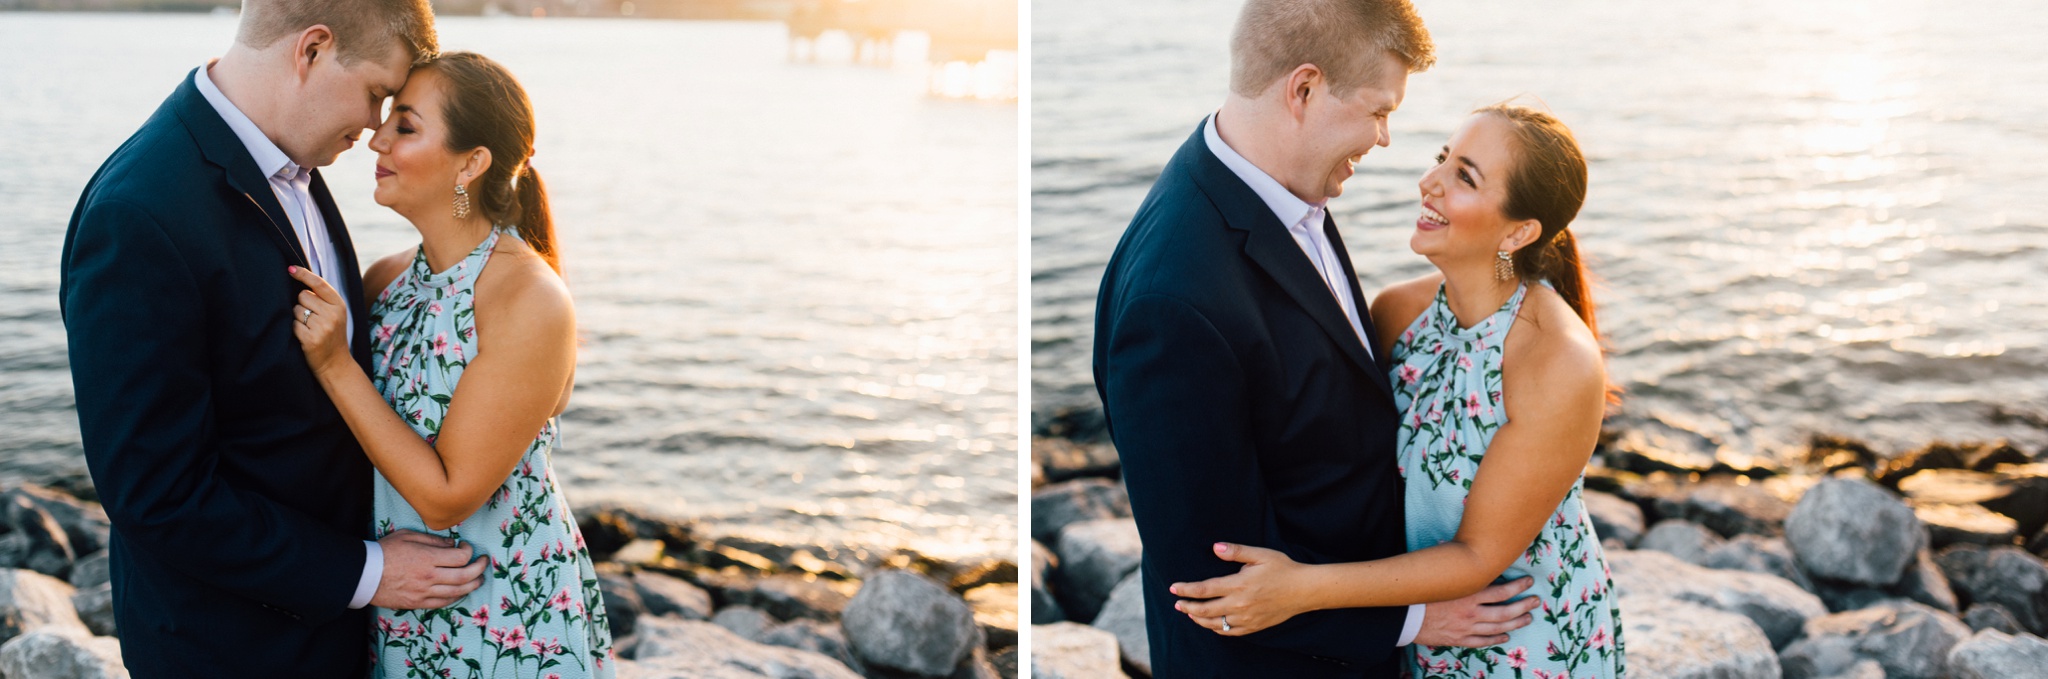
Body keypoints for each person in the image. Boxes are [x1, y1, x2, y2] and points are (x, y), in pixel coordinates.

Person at [1091, 1, 1542, 675]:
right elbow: (1211, 582)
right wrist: (1414, 619)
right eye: (1378, 110)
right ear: (1303, 89)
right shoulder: (1175, 301)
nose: (1386, 137)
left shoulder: (1283, 189)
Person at [58, 2, 489, 675]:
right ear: (311, 51)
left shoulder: (294, 159)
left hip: (330, 638)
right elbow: (157, 494)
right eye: (377, 94)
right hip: (231, 647)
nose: (376, 127)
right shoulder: (140, 214)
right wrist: (368, 572)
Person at [1169, 104, 1626, 678]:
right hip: (1413, 622)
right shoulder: (1398, 312)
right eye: (1443, 158)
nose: (1429, 182)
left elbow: (1478, 555)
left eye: (1464, 176)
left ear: (1519, 231)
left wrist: (1300, 589)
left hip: (1524, 633)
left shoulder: (1558, 360)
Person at [289, 51, 615, 677]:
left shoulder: (527, 299)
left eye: (405, 126)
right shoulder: (386, 280)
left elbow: (447, 497)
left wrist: (334, 364)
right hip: (399, 605)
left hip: (507, 613)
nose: (376, 138)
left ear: (472, 163)